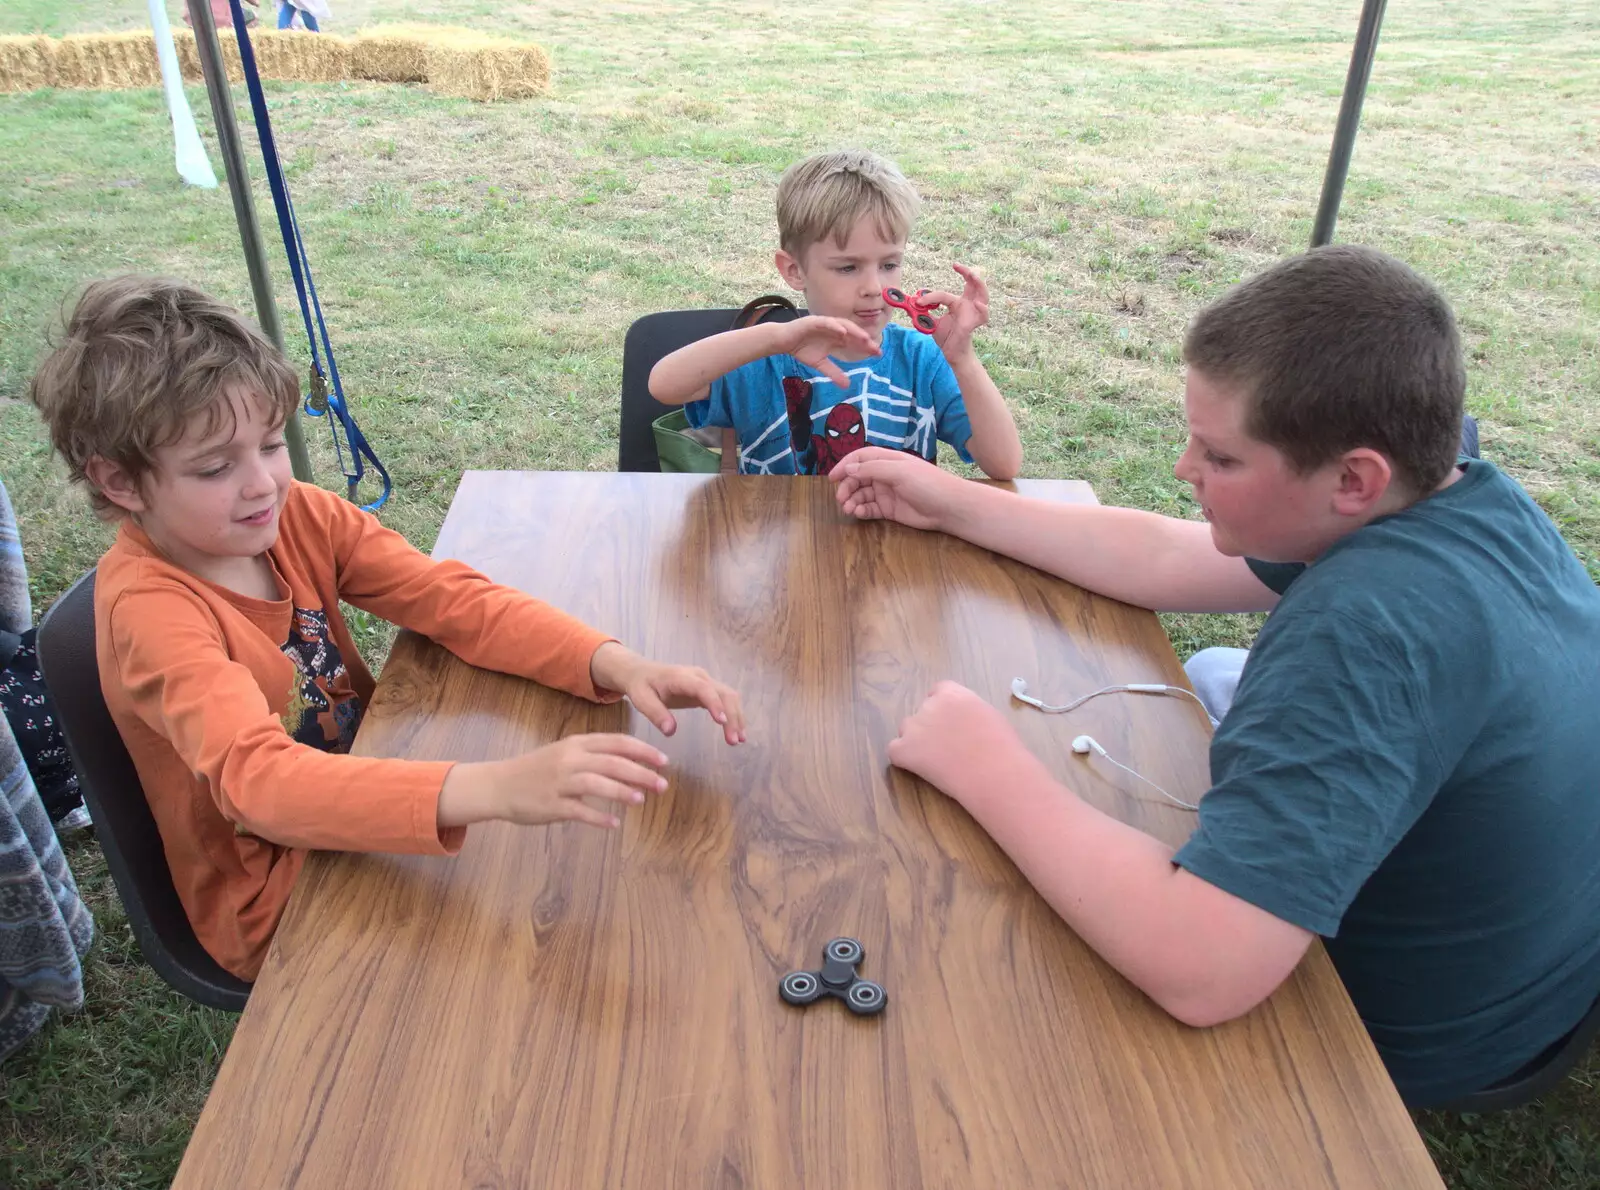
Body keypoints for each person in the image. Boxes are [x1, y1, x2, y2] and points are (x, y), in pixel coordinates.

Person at [829, 244, 1600, 1108]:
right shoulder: (1445, 490)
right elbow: (1168, 557)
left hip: (1419, 1036)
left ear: (1354, 477)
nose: (1184, 470)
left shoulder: (1363, 635)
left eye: (1221, 458)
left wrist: (985, 764)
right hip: (1538, 962)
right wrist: (956, 501)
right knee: (1213, 674)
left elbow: (1203, 972)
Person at [27, 275, 746, 983]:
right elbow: (260, 787)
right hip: (276, 893)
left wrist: (615, 663)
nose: (263, 483)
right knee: (542, 945)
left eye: (273, 445)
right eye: (216, 467)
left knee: (602, 879)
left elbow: (448, 599)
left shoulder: (296, 515)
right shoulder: (154, 614)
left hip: (362, 791)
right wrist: (494, 789)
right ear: (121, 482)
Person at [649, 149, 1023, 479]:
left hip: (897, 546)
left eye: (889, 264)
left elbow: (1004, 464)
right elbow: (664, 385)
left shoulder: (921, 359)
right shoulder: (765, 362)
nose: (874, 287)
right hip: (784, 542)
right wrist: (774, 338)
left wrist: (963, 359)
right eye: (848, 268)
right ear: (795, 271)